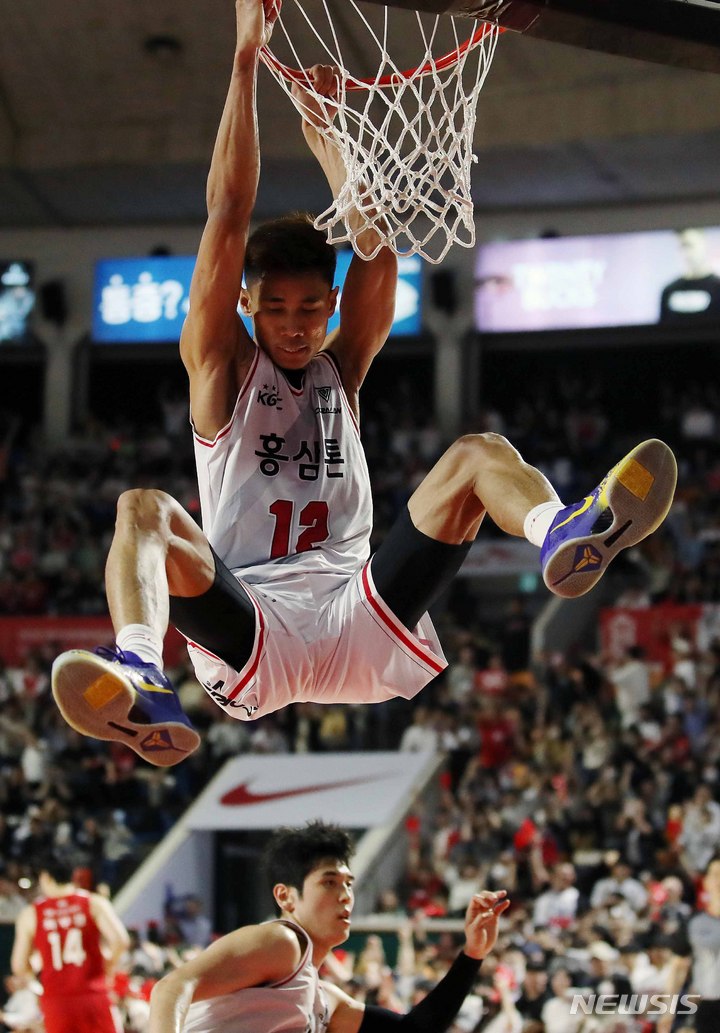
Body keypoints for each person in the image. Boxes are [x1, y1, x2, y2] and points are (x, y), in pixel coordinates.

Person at [50, 0, 678, 768]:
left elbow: (373, 244)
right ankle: (143, 670)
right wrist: (246, 62)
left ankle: (563, 531)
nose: (293, 324)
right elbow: (227, 210)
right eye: (275, 307)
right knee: (142, 508)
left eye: (311, 307)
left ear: (330, 306)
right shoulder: (221, 368)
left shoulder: (340, 368)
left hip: (361, 612)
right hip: (254, 625)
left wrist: (330, 138)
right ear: (245, 304)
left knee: (480, 453)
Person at [147, 819, 509, 1033]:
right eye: (329, 882)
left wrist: (473, 953)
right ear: (286, 897)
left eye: (349, 883)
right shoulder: (282, 942)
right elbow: (172, 987)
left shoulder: (324, 999)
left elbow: (414, 1032)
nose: (345, 895)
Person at [10, 855, 130, 1033]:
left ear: (45, 877)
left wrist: (36, 984)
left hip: (56, 1001)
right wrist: (108, 968)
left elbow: (19, 965)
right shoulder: (94, 903)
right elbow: (120, 941)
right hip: (93, 994)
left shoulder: (31, 914)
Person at [659, 227, 720, 323]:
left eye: (690, 245)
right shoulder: (669, 290)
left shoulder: (717, 287)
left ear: (704, 243)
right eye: (682, 246)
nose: (687, 253)